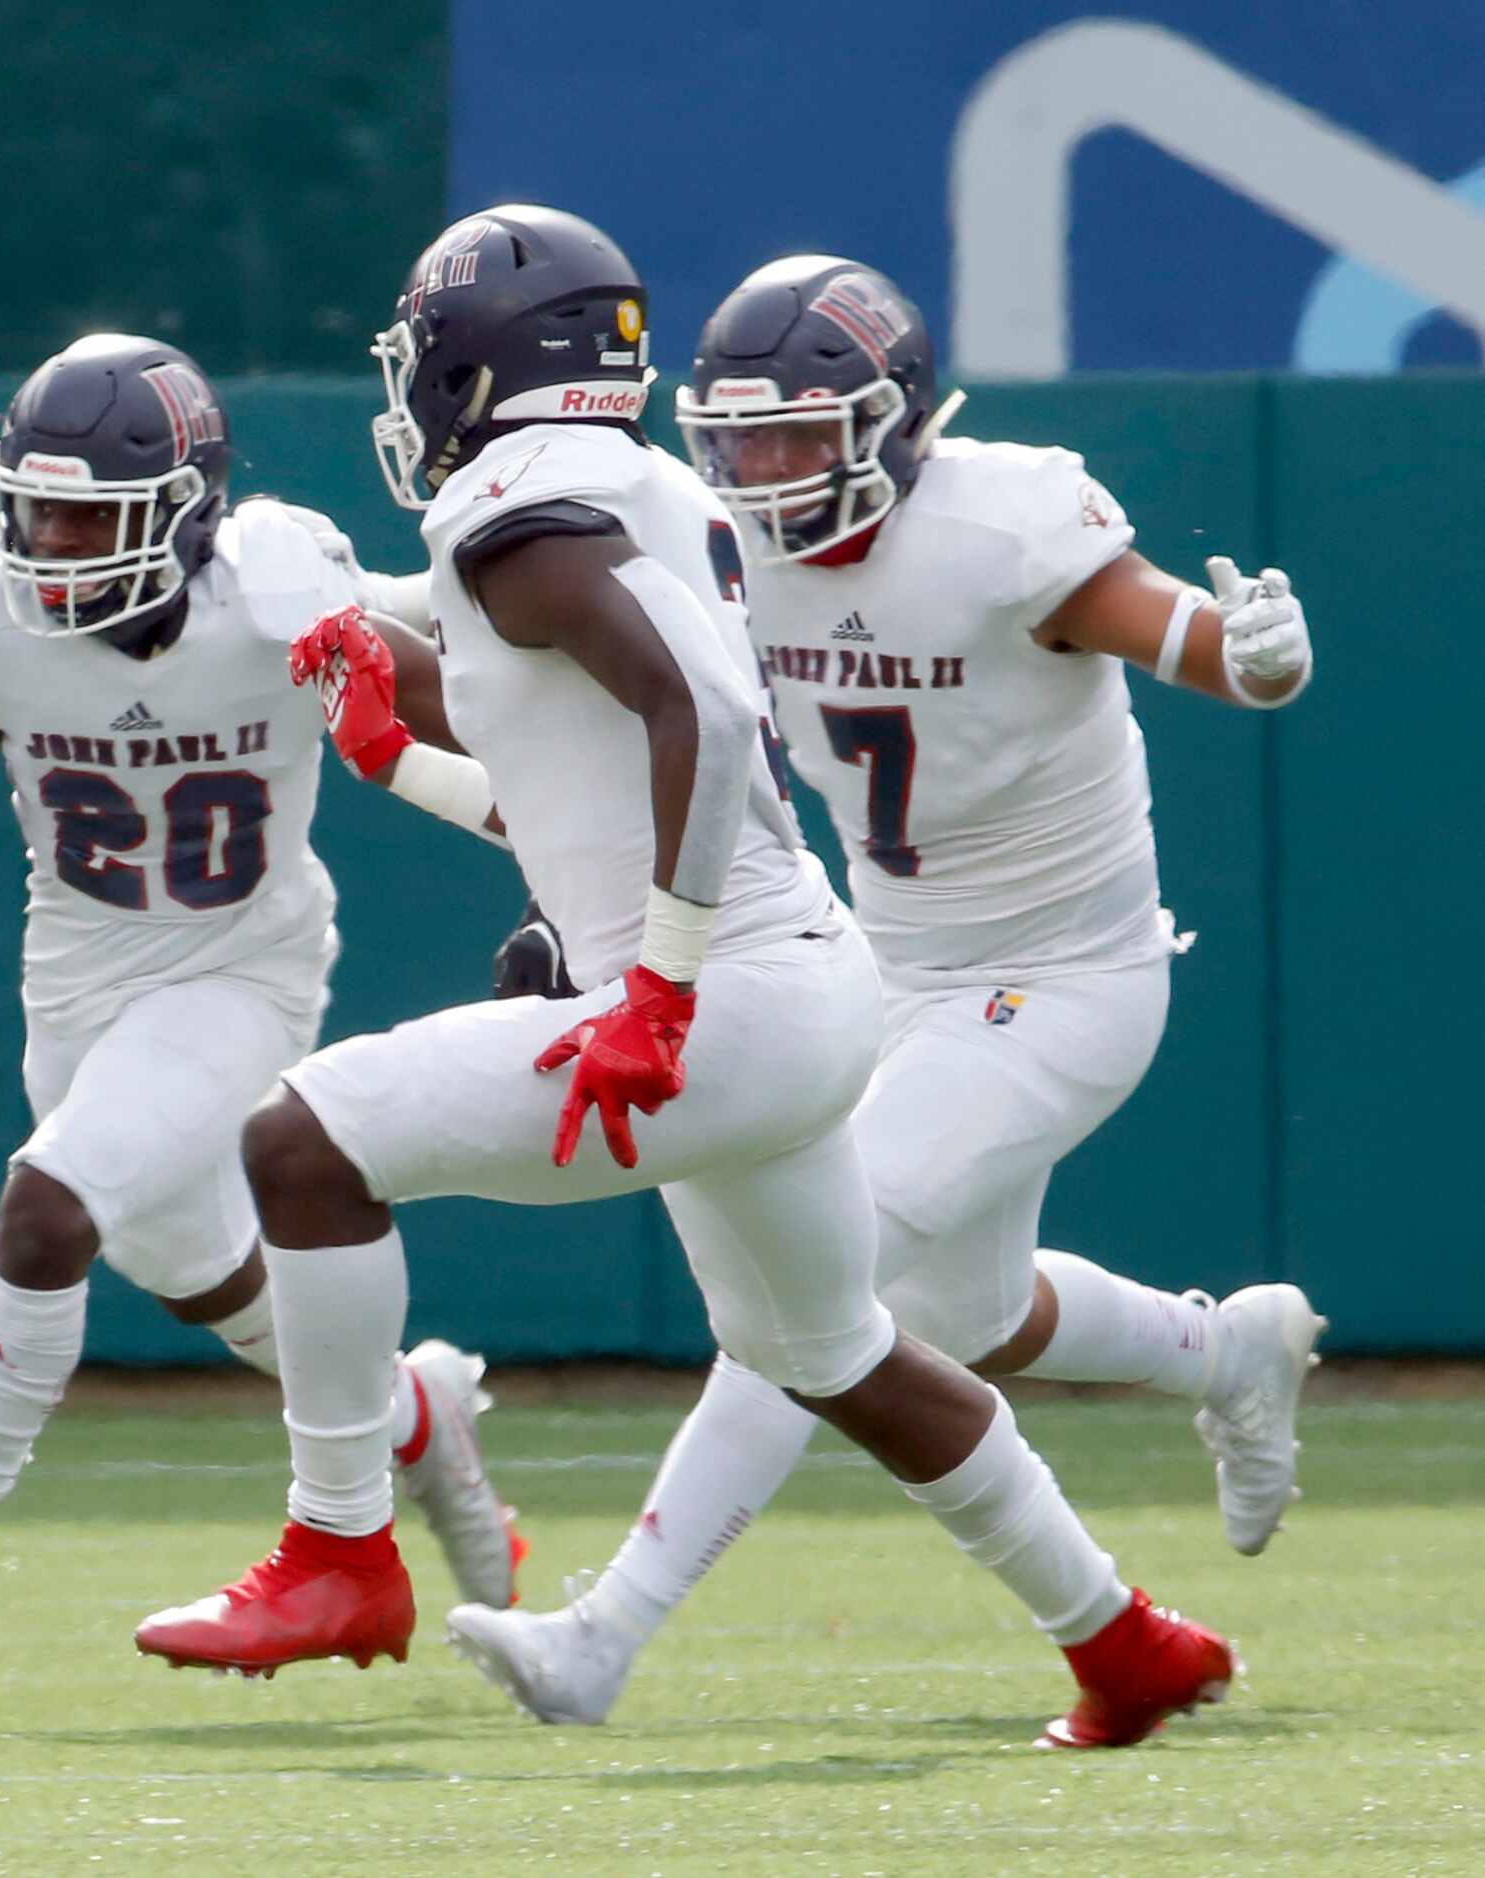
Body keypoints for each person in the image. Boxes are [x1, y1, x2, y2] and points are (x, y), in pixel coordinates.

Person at [132, 207, 1236, 1750]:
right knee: (836, 1351)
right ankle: (1124, 1639)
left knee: (300, 1144)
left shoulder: (521, 509)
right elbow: (580, 790)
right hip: (801, 985)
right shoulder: (631, 490)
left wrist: (655, 989)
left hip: (725, 1002)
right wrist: (400, 759)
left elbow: (708, 724)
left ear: (481, 364)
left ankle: (338, 1547)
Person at [447, 254, 1322, 1728]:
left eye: (805, 432)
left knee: (814, 1286)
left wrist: (1253, 656)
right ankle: (1223, 1348)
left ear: (898, 420)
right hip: (888, 964)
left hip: (1065, 976)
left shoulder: (1000, 523)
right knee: (969, 1312)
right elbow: (603, 726)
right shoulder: (713, 539)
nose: (770, 470)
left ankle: (606, 1629)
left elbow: (1184, 637)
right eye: (741, 437)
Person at [0, 335, 520, 1688]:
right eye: (34, 509)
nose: (52, 544)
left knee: (45, 1208)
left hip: (243, 972)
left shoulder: (281, 591)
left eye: (88, 515)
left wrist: (570, 891)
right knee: (213, 1284)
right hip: (82, 990)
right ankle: (421, 1413)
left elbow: (476, 726)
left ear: (189, 509)